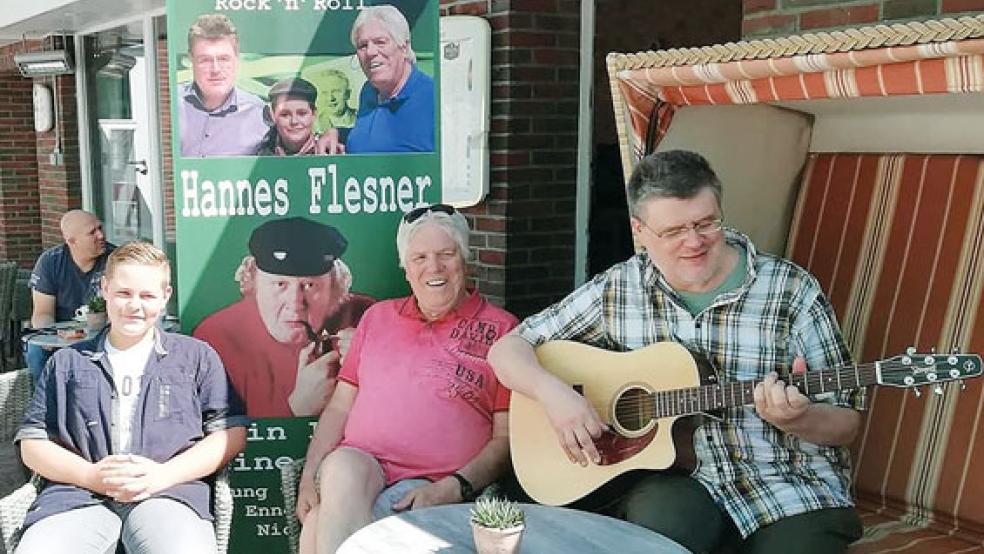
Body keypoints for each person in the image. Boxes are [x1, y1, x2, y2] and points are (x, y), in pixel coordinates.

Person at [488, 150, 865, 553]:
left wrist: (799, 418)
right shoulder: (617, 290)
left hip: (787, 484)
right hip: (678, 479)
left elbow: (846, 423)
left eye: (706, 223)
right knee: (656, 536)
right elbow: (508, 349)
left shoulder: (792, 290)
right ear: (640, 230)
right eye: (673, 231)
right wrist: (553, 393)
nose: (694, 242)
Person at [295, 204, 516, 554]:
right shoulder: (377, 318)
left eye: (447, 254)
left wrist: (454, 486)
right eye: (420, 258)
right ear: (406, 269)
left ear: (465, 259)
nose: (434, 268)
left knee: (316, 530)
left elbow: (506, 440)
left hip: (433, 485)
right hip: (361, 467)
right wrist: (308, 477)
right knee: (340, 467)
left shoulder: (503, 331)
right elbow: (339, 408)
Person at [15, 241, 248, 554]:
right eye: (124, 293)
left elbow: (230, 433)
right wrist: (91, 476)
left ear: (165, 297)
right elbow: (33, 444)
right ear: (105, 289)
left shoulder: (196, 357)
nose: (134, 305)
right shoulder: (68, 362)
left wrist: (162, 475)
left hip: (169, 493)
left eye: (147, 295)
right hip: (77, 496)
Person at [193, 217, 374, 417]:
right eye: (280, 285)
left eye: (309, 285)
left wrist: (375, 363)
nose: (295, 304)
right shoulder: (217, 337)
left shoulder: (368, 319)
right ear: (254, 285)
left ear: (334, 288)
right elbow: (217, 429)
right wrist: (296, 408)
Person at [26, 210, 116, 381]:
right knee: (35, 350)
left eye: (100, 228)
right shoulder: (50, 262)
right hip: (62, 335)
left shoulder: (115, 260)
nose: (101, 235)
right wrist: (52, 337)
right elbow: (42, 313)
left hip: (103, 333)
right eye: (92, 232)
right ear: (71, 241)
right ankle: (46, 402)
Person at [344, 5, 435, 153]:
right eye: (362, 46)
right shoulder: (368, 92)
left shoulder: (433, 97)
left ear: (404, 47)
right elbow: (374, 139)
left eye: (380, 42)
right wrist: (337, 133)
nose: (370, 52)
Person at [179, 13, 268, 157]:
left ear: (237, 58)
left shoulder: (260, 116)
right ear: (191, 59)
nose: (215, 69)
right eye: (205, 60)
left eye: (223, 59)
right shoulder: (171, 106)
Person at [257, 77, 321, 156]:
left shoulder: (331, 153)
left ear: (314, 114)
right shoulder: (258, 157)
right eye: (285, 115)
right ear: (273, 115)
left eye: (302, 114)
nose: (294, 121)